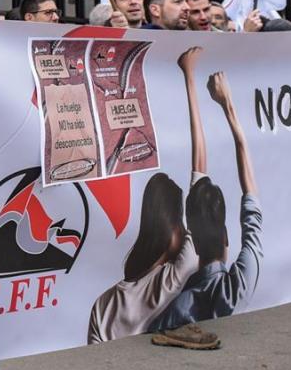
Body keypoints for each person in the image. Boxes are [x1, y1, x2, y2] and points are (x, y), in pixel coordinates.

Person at [86, 48, 217, 349]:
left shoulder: (102, 304)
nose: (185, 230)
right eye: (180, 223)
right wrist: (189, 77)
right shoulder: (173, 277)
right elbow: (200, 170)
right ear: (170, 225)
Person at [147, 59, 262, 330]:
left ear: (192, 243)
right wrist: (227, 105)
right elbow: (251, 202)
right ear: (225, 235)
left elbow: (200, 168)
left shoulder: (177, 307)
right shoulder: (239, 285)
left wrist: (189, 76)